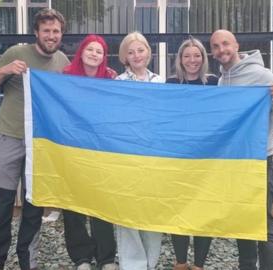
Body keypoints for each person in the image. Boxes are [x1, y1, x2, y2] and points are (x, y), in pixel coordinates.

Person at [0, 8, 70, 270]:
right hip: (9, 139)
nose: (51, 36)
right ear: (36, 32)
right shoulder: (16, 53)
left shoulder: (63, 62)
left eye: (56, 31)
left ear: (61, 34)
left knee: (32, 211)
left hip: (41, 146)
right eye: (46, 31)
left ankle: (28, 262)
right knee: (0, 207)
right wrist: (6, 69)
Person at [209, 29, 273, 270]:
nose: (221, 50)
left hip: (259, 159)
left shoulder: (261, 75)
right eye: (216, 46)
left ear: (236, 45)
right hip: (234, 162)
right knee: (242, 220)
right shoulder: (220, 80)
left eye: (225, 44)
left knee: (263, 223)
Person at [62, 34, 118, 270]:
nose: (94, 54)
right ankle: (81, 257)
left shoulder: (110, 79)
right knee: (73, 204)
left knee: (101, 203)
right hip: (72, 149)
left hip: (101, 151)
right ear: (81, 52)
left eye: (100, 51)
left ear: (104, 57)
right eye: (90, 49)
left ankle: (106, 257)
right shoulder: (65, 77)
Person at [165, 37, 218, 270]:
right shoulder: (171, 83)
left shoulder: (214, 83)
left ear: (204, 58)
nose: (192, 60)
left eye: (197, 55)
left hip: (207, 158)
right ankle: (180, 261)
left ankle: (199, 264)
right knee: (180, 209)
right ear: (180, 59)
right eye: (187, 56)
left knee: (203, 210)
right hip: (179, 158)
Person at [115, 31, 164, 270]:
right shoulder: (117, 83)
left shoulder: (160, 82)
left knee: (153, 209)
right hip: (127, 154)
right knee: (127, 210)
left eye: (140, 50)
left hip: (155, 156)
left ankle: (150, 262)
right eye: (131, 52)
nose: (136, 55)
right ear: (125, 57)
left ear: (148, 52)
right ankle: (132, 264)